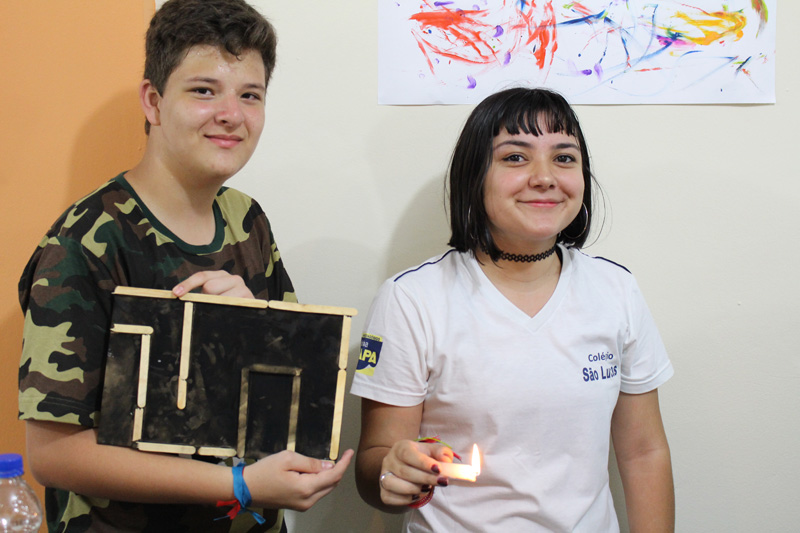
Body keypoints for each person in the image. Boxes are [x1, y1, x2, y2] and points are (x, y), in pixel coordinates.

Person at [17, 1, 352, 531]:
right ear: (153, 101)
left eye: (250, 95)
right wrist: (238, 485)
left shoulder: (247, 220)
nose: (231, 114)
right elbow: (54, 455)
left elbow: (296, 392)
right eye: (204, 91)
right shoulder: (86, 241)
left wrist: (253, 327)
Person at [351, 87, 675, 532]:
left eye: (564, 158)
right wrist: (395, 472)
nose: (544, 177)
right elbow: (374, 465)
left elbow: (643, 452)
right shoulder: (411, 299)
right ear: (474, 176)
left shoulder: (616, 289)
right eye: (515, 157)